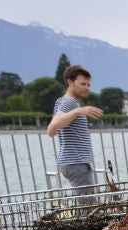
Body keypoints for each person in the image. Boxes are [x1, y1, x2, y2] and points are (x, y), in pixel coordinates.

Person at [47, 65, 102, 194]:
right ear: (70, 82)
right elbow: (54, 125)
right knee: (88, 205)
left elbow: (51, 131)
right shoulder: (69, 103)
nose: (87, 88)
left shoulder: (61, 101)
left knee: (85, 203)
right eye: (83, 84)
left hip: (71, 161)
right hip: (76, 162)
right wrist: (78, 111)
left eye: (88, 85)